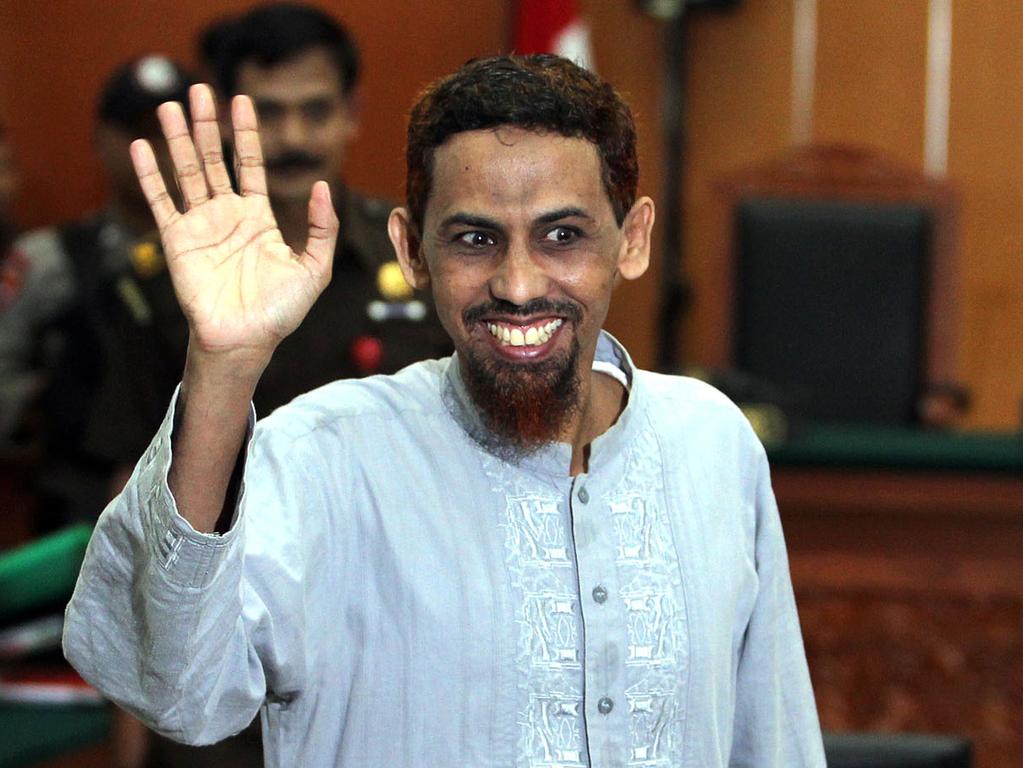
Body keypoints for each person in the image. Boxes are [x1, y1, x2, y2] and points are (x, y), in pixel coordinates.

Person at [64, 55, 826, 767]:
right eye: (474, 239)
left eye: (562, 236)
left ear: (632, 241)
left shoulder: (711, 441)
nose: (519, 284)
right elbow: (172, 691)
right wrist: (224, 366)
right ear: (412, 250)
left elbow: (776, 737)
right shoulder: (326, 455)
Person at [86, 3, 452, 491]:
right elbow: (130, 470)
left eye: (316, 110)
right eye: (266, 112)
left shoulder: (415, 251)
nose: (292, 137)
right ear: (223, 116)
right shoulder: (174, 272)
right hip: (229, 553)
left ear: (353, 112)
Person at [0, 56, 193, 529]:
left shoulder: (234, 256)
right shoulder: (48, 261)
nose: (154, 150)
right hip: (78, 508)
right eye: (136, 131)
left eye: (169, 132)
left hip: (201, 503)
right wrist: (43, 404)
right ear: (100, 140)